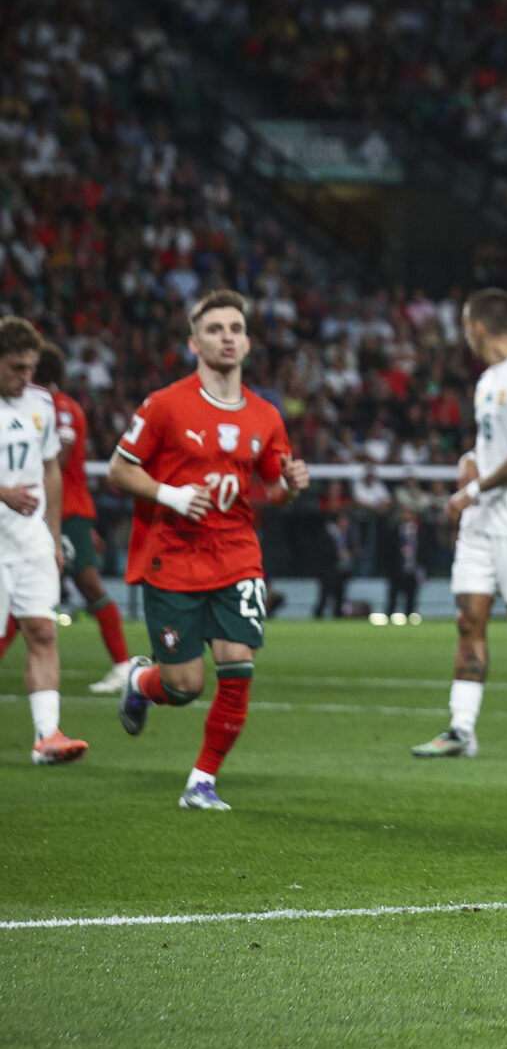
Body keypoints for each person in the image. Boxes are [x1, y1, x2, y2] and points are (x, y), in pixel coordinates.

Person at [108, 291, 310, 807]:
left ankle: (202, 780)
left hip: (237, 554)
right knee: (184, 686)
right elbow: (119, 469)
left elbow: (273, 491)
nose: (227, 337)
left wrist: (290, 484)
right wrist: (171, 494)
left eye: (236, 328)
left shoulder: (266, 416)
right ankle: (142, 680)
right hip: (172, 556)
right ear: (194, 342)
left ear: (247, 342)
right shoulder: (165, 405)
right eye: (216, 328)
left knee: (238, 666)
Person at [413, 289, 507, 760]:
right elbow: (493, 444)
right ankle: (461, 730)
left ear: (477, 326)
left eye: (463, 325)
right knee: (468, 620)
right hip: (482, 522)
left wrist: (471, 491)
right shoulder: (488, 380)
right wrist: (470, 459)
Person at [0, 319, 83, 765]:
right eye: (16, 368)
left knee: (43, 631)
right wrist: (2, 492)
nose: (26, 377)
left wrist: (54, 535)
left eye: (30, 367)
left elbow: (51, 469)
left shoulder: (41, 404)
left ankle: (47, 737)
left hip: (30, 539)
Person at [36, 346, 134, 694]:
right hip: (51, 509)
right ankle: (123, 665)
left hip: (65, 510)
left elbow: (58, 462)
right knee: (25, 590)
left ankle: (124, 665)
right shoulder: (43, 406)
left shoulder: (59, 408)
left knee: (89, 585)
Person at [387, 505, 425, 618]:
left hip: (413, 569)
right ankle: (390, 619)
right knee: (393, 598)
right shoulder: (395, 530)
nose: (407, 516)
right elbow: (388, 550)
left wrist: (422, 568)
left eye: (410, 513)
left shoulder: (420, 532)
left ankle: (410, 618)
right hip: (397, 569)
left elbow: (425, 551)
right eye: (405, 513)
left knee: (412, 599)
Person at [314, 511, 354, 618]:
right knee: (325, 595)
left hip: (341, 569)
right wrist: (338, 554)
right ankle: (319, 614)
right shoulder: (328, 532)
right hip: (328, 569)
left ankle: (338, 615)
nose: (347, 523)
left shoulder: (344, 533)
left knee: (340, 595)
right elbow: (322, 550)